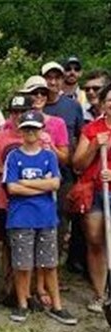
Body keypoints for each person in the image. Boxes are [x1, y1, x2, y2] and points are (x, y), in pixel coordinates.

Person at [4, 110, 77, 325]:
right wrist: (40, 185)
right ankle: (22, 304)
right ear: (20, 131)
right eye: (26, 128)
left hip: (46, 217)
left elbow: (55, 183)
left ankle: (57, 306)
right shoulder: (14, 156)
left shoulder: (49, 156)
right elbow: (12, 187)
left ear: (41, 130)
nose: (30, 132)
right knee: (22, 264)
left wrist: (25, 183)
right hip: (21, 217)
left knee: (49, 264)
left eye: (34, 128)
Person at [0, 94, 36, 304]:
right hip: (6, 200)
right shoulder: (0, 138)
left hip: (32, 200)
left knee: (30, 246)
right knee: (7, 245)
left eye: (22, 112)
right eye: (14, 112)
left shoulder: (36, 137)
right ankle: (7, 289)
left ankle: (27, 292)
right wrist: (8, 171)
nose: (18, 117)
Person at [73, 83, 111, 314]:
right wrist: (95, 147)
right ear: (103, 103)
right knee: (96, 239)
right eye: (109, 100)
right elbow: (78, 164)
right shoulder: (92, 129)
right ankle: (100, 294)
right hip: (95, 191)